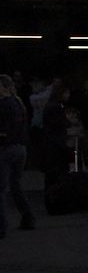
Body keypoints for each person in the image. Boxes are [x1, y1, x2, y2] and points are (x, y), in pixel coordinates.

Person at [1, 74, 36, 237]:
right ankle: (28, 217)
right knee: (15, 184)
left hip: (6, 148)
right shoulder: (18, 103)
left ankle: (2, 226)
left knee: (1, 188)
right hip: (20, 147)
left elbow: (4, 129)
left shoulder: (3, 104)